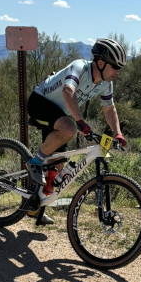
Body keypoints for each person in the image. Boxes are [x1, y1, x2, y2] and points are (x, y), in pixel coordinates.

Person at [25, 38, 127, 225]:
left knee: (58, 167)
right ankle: (34, 161)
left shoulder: (106, 83)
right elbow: (67, 91)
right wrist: (80, 121)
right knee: (69, 128)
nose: (118, 71)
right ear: (101, 63)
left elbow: (109, 109)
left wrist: (118, 133)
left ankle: (35, 209)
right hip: (39, 102)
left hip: (59, 113)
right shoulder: (80, 67)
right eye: (115, 66)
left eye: (120, 67)